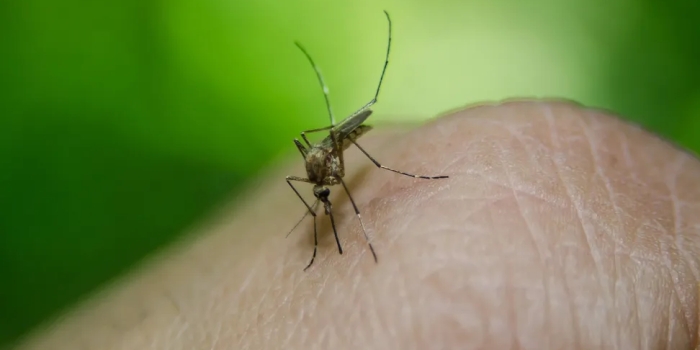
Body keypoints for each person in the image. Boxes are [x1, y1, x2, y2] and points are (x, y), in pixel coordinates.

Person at [16, 100, 700, 349]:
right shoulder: (315, 180)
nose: (323, 200)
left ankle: (398, 180)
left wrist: (366, 165)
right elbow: (315, 182)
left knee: (344, 178)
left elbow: (332, 166)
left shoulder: (334, 160)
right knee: (321, 185)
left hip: (335, 145)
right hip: (324, 158)